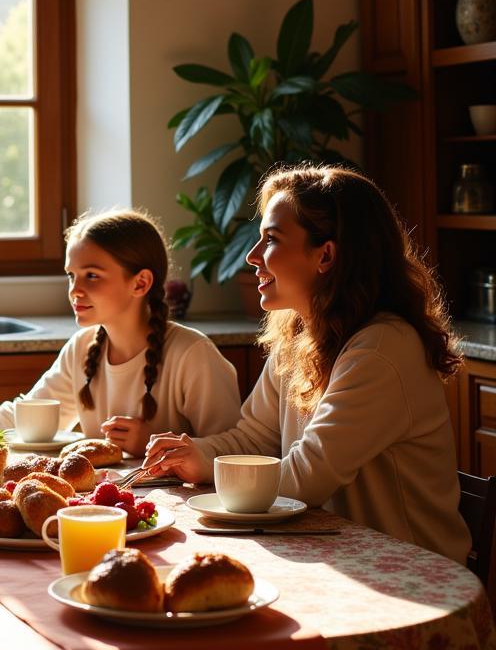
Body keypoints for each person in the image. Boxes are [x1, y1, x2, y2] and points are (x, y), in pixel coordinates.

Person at [143, 163, 471, 563]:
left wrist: (211, 467)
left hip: (413, 572)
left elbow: (305, 480)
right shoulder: (299, 336)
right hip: (338, 556)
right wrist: (194, 453)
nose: (252, 256)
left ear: (326, 255)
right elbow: (254, 438)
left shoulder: (383, 348)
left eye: (271, 240)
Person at [0, 208, 241, 456]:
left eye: (92, 276)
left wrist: (155, 445)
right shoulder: (82, 348)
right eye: (71, 275)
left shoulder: (192, 354)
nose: (75, 290)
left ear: (140, 282)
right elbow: (27, 415)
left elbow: (235, 453)